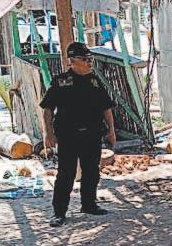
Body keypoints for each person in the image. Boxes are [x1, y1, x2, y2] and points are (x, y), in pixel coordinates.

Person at [41, 42, 118, 227]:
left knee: (91, 171)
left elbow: (106, 108)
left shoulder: (95, 81)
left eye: (90, 59)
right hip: (68, 136)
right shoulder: (61, 82)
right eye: (85, 59)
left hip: (92, 134)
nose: (89, 62)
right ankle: (59, 212)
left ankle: (89, 204)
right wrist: (48, 134)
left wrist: (111, 131)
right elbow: (47, 109)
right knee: (66, 174)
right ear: (73, 61)